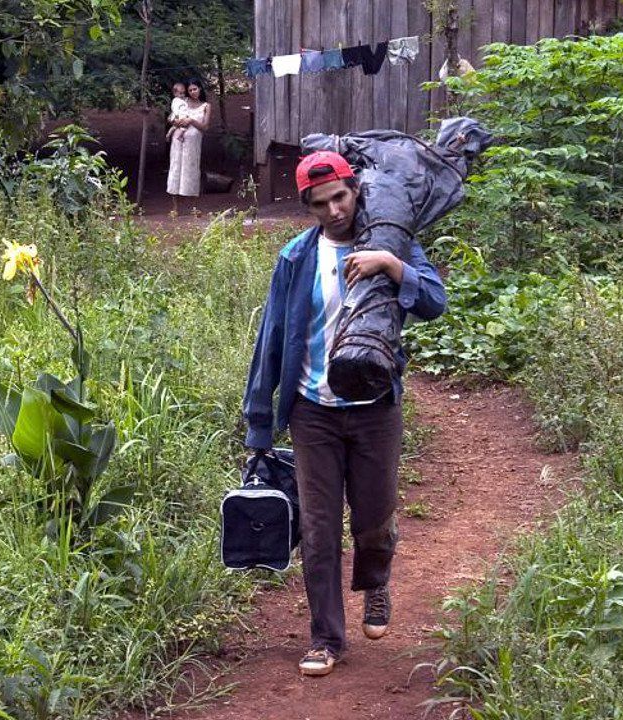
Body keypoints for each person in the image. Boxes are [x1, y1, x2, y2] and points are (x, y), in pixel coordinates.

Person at [241, 151, 447, 677]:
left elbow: (435, 301)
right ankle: (325, 639)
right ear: (308, 207)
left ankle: (375, 582)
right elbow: (273, 340)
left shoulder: (390, 241)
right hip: (313, 411)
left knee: (374, 519)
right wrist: (259, 423)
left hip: (375, 407)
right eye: (320, 203)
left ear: (356, 191)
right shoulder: (295, 258)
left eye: (341, 197)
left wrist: (391, 266)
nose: (334, 210)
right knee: (318, 527)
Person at [165, 79, 210, 215]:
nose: (192, 92)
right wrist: (176, 121)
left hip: (193, 143)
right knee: (175, 170)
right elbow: (170, 118)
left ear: (200, 89)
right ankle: (175, 208)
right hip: (178, 142)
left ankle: (194, 207)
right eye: (190, 90)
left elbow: (205, 127)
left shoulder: (206, 106)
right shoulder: (182, 102)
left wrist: (191, 120)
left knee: (192, 171)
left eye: (195, 89)